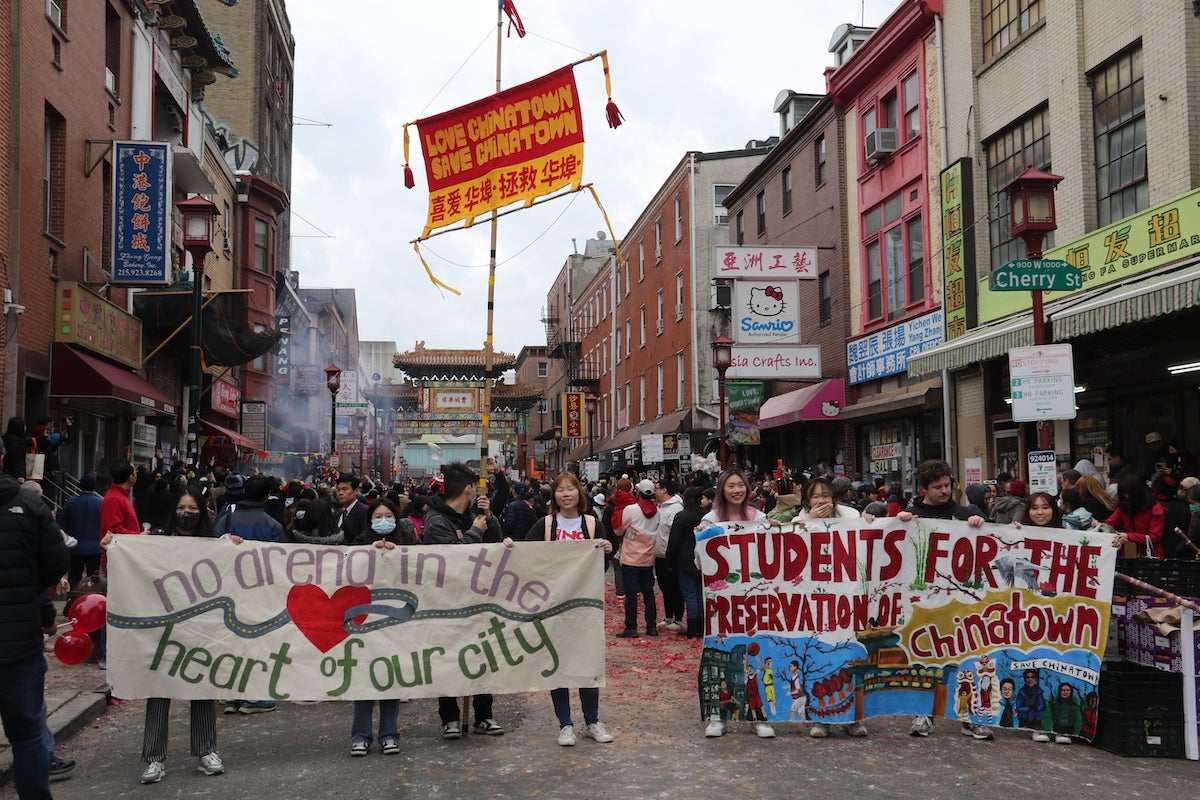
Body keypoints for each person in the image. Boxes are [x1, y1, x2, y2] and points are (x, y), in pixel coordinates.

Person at [509, 473, 615, 747]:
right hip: (553, 606)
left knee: (587, 661)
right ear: (553, 496)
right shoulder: (545, 525)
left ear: (580, 494)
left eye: (571, 489)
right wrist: (509, 545)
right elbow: (525, 556)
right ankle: (565, 724)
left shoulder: (592, 523)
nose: (566, 494)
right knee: (557, 662)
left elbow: (601, 567)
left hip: (586, 606)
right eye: (561, 490)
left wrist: (605, 549)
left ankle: (592, 721)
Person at [897, 460, 992, 741]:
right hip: (923, 600)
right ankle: (923, 713)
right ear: (924, 488)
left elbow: (992, 540)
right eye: (937, 487)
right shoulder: (911, 514)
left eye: (948, 485)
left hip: (961, 600)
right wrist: (898, 524)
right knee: (924, 655)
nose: (944, 491)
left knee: (966, 656)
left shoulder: (966, 513)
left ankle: (969, 716)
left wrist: (980, 523)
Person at [136, 489, 227, 783]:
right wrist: (116, 544)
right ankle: (153, 758)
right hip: (163, 629)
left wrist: (234, 546)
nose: (186, 513)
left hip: (200, 627)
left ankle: (206, 751)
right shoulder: (156, 543)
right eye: (180, 507)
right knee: (159, 690)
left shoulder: (214, 545)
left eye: (192, 507)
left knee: (201, 688)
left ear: (202, 512)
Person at [0, 464, 70, 800]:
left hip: (21, 637)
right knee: (27, 733)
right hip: (18, 644)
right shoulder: (30, 506)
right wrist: (40, 607)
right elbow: (55, 565)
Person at [422, 462, 505, 739]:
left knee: (482, 657)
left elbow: (495, 547)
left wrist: (489, 519)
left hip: (478, 600)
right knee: (449, 659)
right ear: (468, 488)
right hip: (446, 604)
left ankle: (484, 715)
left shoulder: (474, 515)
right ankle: (450, 718)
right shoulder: (437, 522)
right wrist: (475, 531)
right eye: (475, 486)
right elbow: (452, 560)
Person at [791, 477, 869, 739]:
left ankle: (853, 718)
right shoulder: (798, 522)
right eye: (815, 496)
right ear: (807, 501)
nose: (821, 501)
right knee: (819, 659)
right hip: (815, 600)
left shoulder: (852, 516)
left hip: (846, 597)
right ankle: (820, 718)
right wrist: (811, 523)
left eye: (826, 495)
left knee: (850, 656)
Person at [701, 467, 773, 740]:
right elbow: (701, 563)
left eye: (740, 485)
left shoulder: (760, 517)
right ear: (722, 489)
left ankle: (760, 717)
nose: (736, 490)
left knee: (757, 651)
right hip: (722, 599)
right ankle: (718, 716)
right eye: (730, 486)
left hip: (754, 596)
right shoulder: (709, 520)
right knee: (719, 651)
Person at [349, 498, 417, 756]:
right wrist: (369, 553)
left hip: (397, 622)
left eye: (388, 515)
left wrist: (397, 554)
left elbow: (429, 565)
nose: (383, 521)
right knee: (364, 680)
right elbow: (344, 567)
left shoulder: (409, 541)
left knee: (391, 679)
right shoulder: (359, 542)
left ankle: (389, 734)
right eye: (377, 517)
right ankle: (360, 736)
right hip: (364, 622)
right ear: (369, 521)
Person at [214, 475, 282, 714]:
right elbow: (279, 566)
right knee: (258, 642)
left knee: (231, 640)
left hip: (228, 591)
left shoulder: (225, 521)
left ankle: (230, 694)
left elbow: (212, 554)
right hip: (261, 594)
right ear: (266, 496)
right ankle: (253, 697)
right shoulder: (273, 526)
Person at [614, 479, 660, 639]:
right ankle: (651, 626)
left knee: (631, 594)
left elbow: (618, 531)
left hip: (630, 558)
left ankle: (631, 627)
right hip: (648, 558)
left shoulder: (631, 509)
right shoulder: (658, 511)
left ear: (638, 492)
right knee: (648, 592)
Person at [663, 487, 706, 638]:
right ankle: (702, 627)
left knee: (690, 595)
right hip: (703, 559)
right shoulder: (705, 516)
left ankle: (693, 627)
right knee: (700, 595)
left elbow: (674, 541)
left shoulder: (681, 516)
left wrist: (669, 561)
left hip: (684, 560)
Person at [57, 473, 103, 590]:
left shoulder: (70, 503)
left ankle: (72, 598)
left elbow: (62, 524)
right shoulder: (100, 503)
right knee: (94, 577)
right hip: (94, 547)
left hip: (75, 546)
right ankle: (93, 599)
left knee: (74, 575)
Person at [653, 477, 686, 632]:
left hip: (671, 556)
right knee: (665, 588)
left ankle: (678, 619)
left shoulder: (675, 508)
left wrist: (671, 558)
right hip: (659, 555)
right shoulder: (661, 507)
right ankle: (668, 616)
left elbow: (676, 535)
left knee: (675, 588)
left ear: (664, 490)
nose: (655, 491)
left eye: (657, 488)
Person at [1106, 473, 1165, 557]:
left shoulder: (1154, 509)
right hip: (1130, 552)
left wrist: (1128, 536)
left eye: (1128, 494)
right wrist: (1101, 527)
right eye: (1124, 494)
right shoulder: (1124, 506)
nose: (1127, 497)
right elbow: (1111, 523)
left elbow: (1154, 537)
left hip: (1150, 555)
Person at [334, 473, 369, 541]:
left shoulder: (365, 512)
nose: (340, 493)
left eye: (345, 489)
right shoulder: (338, 514)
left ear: (356, 491)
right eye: (338, 490)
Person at [1017, 669, 1050, 741]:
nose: (1030, 679)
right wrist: (1028, 708)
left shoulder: (1039, 691)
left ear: (1035, 679)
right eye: (1027, 677)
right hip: (1025, 719)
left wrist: (1037, 708)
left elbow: (1043, 705)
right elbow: (1018, 707)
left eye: (1032, 677)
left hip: (1036, 719)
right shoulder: (1021, 692)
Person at [2, 417, 32, 482]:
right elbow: (18, 460)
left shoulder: (3, 439)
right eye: (24, 426)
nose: (25, 428)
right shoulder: (18, 443)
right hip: (13, 477)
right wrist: (20, 475)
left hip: (3, 474)